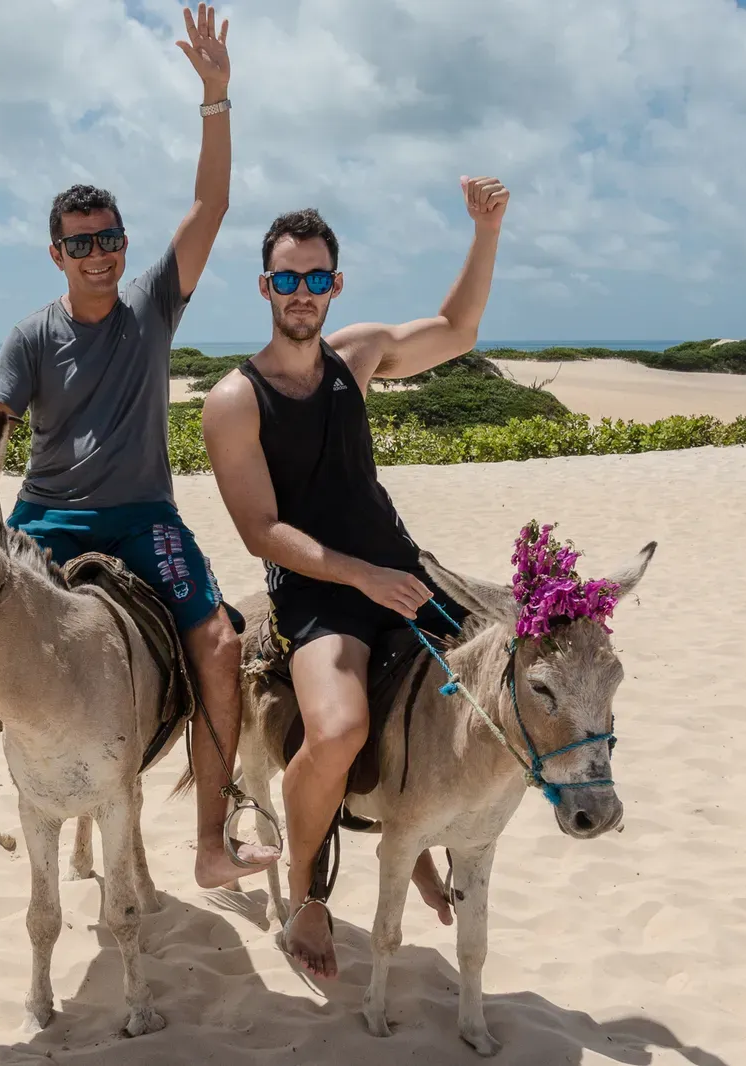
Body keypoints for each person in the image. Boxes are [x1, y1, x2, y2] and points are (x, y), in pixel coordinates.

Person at [0, 4, 280, 892]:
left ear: (123, 244)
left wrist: (216, 98)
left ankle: (214, 836)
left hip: (145, 518)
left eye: (110, 240)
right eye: (81, 245)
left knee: (218, 643)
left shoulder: (151, 306)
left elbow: (212, 204)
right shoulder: (30, 335)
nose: (99, 254)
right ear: (56, 253)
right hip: (44, 518)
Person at [200, 176, 512, 978]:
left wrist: (486, 230)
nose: (301, 293)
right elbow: (260, 531)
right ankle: (306, 895)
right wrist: (359, 578)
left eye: (316, 278)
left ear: (334, 285)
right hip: (317, 592)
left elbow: (458, 328)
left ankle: (422, 842)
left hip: (401, 570)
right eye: (286, 278)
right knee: (337, 730)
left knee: (506, 688)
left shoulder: (358, 355)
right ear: (265, 286)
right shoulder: (235, 400)